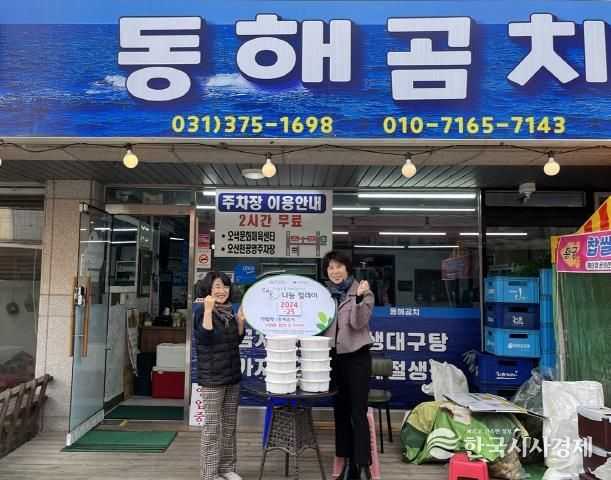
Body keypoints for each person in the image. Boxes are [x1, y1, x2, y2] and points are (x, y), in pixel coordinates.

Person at [322, 251, 375, 480]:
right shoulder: (324, 295)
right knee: (341, 412)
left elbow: (357, 323)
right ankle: (345, 463)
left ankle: (362, 465)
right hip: (333, 359)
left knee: (358, 412)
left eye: (339, 266)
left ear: (348, 268)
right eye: (330, 267)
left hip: (357, 358)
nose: (335, 271)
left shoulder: (363, 291)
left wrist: (359, 299)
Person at [193, 271, 246, 480]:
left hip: (232, 377)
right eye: (217, 286)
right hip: (213, 380)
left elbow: (235, 342)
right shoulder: (202, 311)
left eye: (225, 286)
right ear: (208, 289)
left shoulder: (229, 312)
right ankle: (210, 474)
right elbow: (205, 338)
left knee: (229, 426)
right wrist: (208, 310)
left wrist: (240, 323)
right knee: (212, 427)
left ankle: (227, 468)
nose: (222, 290)